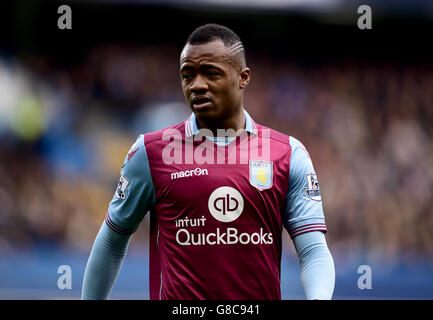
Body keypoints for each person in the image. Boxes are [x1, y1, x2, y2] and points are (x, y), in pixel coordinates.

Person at [81, 23, 335, 300]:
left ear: (243, 77)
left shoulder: (287, 154)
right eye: (187, 74)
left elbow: (313, 251)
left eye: (211, 73)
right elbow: (112, 240)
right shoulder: (150, 152)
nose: (197, 85)